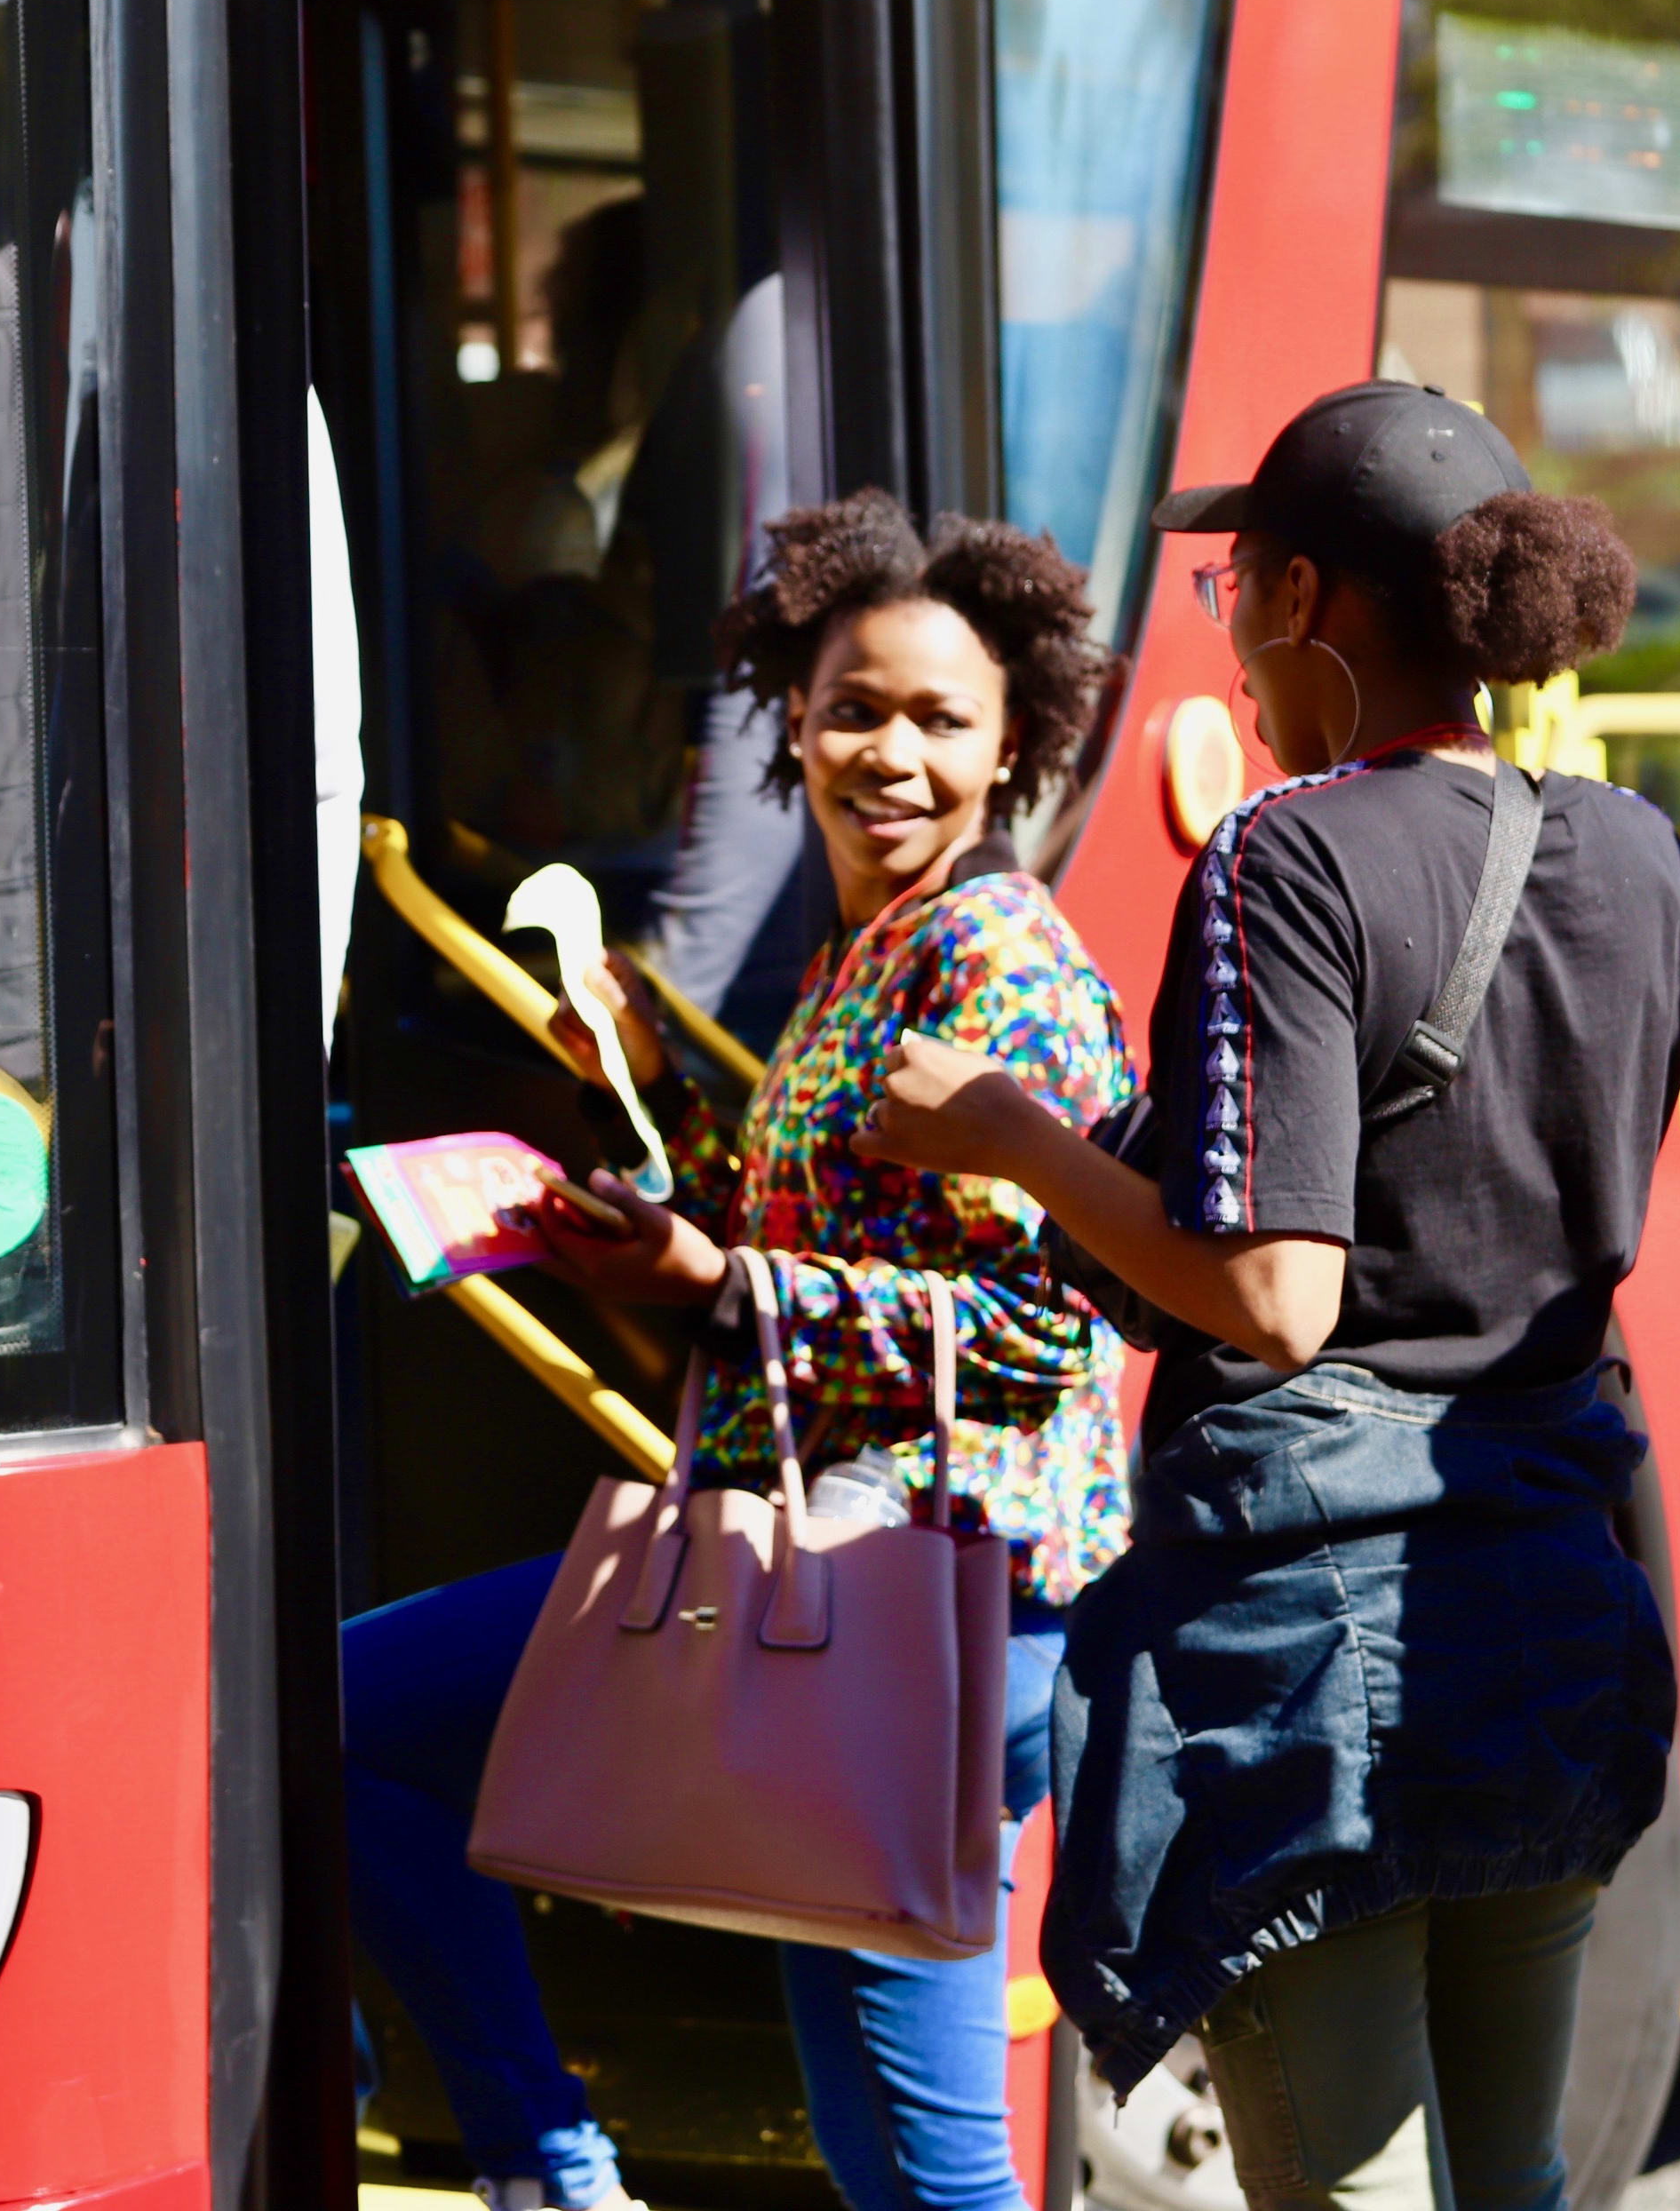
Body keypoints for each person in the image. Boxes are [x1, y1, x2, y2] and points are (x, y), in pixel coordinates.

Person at [858, 384, 1680, 2211]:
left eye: (1236, 578)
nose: (1226, 622)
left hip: (1326, 1645)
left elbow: (1274, 1292)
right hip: (1554, 1581)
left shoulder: (1287, 854)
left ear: (1308, 597)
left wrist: (1009, 1132)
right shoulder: (1633, 849)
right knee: (1517, 2181)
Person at [341, 493, 1136, 2211]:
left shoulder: (995, 953)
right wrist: (656, 1099)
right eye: (857, 708)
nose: (893, 757)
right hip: (834, 1579)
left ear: (1016, 750)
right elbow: (830, 1232)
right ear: (793, 718)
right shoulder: (876, 947)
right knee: (888, 2158)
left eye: (943, 720)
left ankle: (545, 2162)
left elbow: (1045, 1331)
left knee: (932, 2171)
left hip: (941, 1596)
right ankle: (546, 2158)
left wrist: (717, 1279)